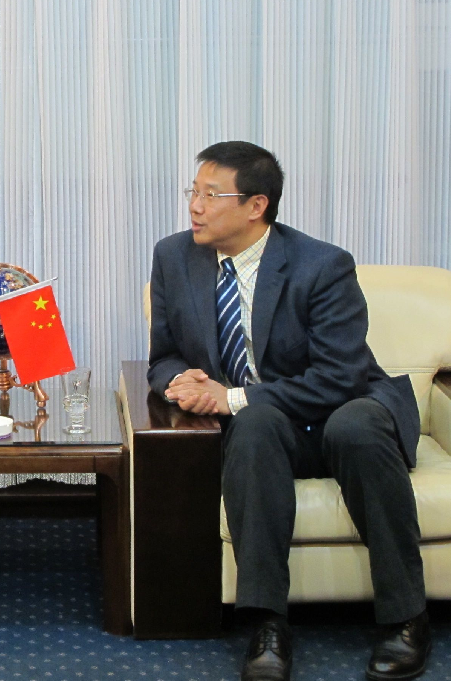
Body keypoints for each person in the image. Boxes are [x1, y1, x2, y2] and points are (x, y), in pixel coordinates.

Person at [147, 141, 429, 681]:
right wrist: (181, 382)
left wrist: (230, 397)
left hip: (342, 410)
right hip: (269, 428)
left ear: (257, 205)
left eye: (211, 195)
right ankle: (267, 624)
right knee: (254, 425)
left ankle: (406, 618)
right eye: (193, 192)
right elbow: (164, 356)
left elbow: (340, 377)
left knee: (355, 425)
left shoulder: (322, 265)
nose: (195, 207)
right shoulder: (174, 257)